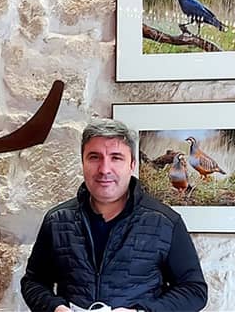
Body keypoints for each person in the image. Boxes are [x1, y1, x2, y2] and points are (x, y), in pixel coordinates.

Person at [20, 118, 208, 312]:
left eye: (116, 157)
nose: (104, 169)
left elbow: (194, 291)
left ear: (132, 164)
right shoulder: (57, 220)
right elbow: (34, 282)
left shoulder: (167, 222)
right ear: (82, 162)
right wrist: (56, 308)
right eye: (94, 157)